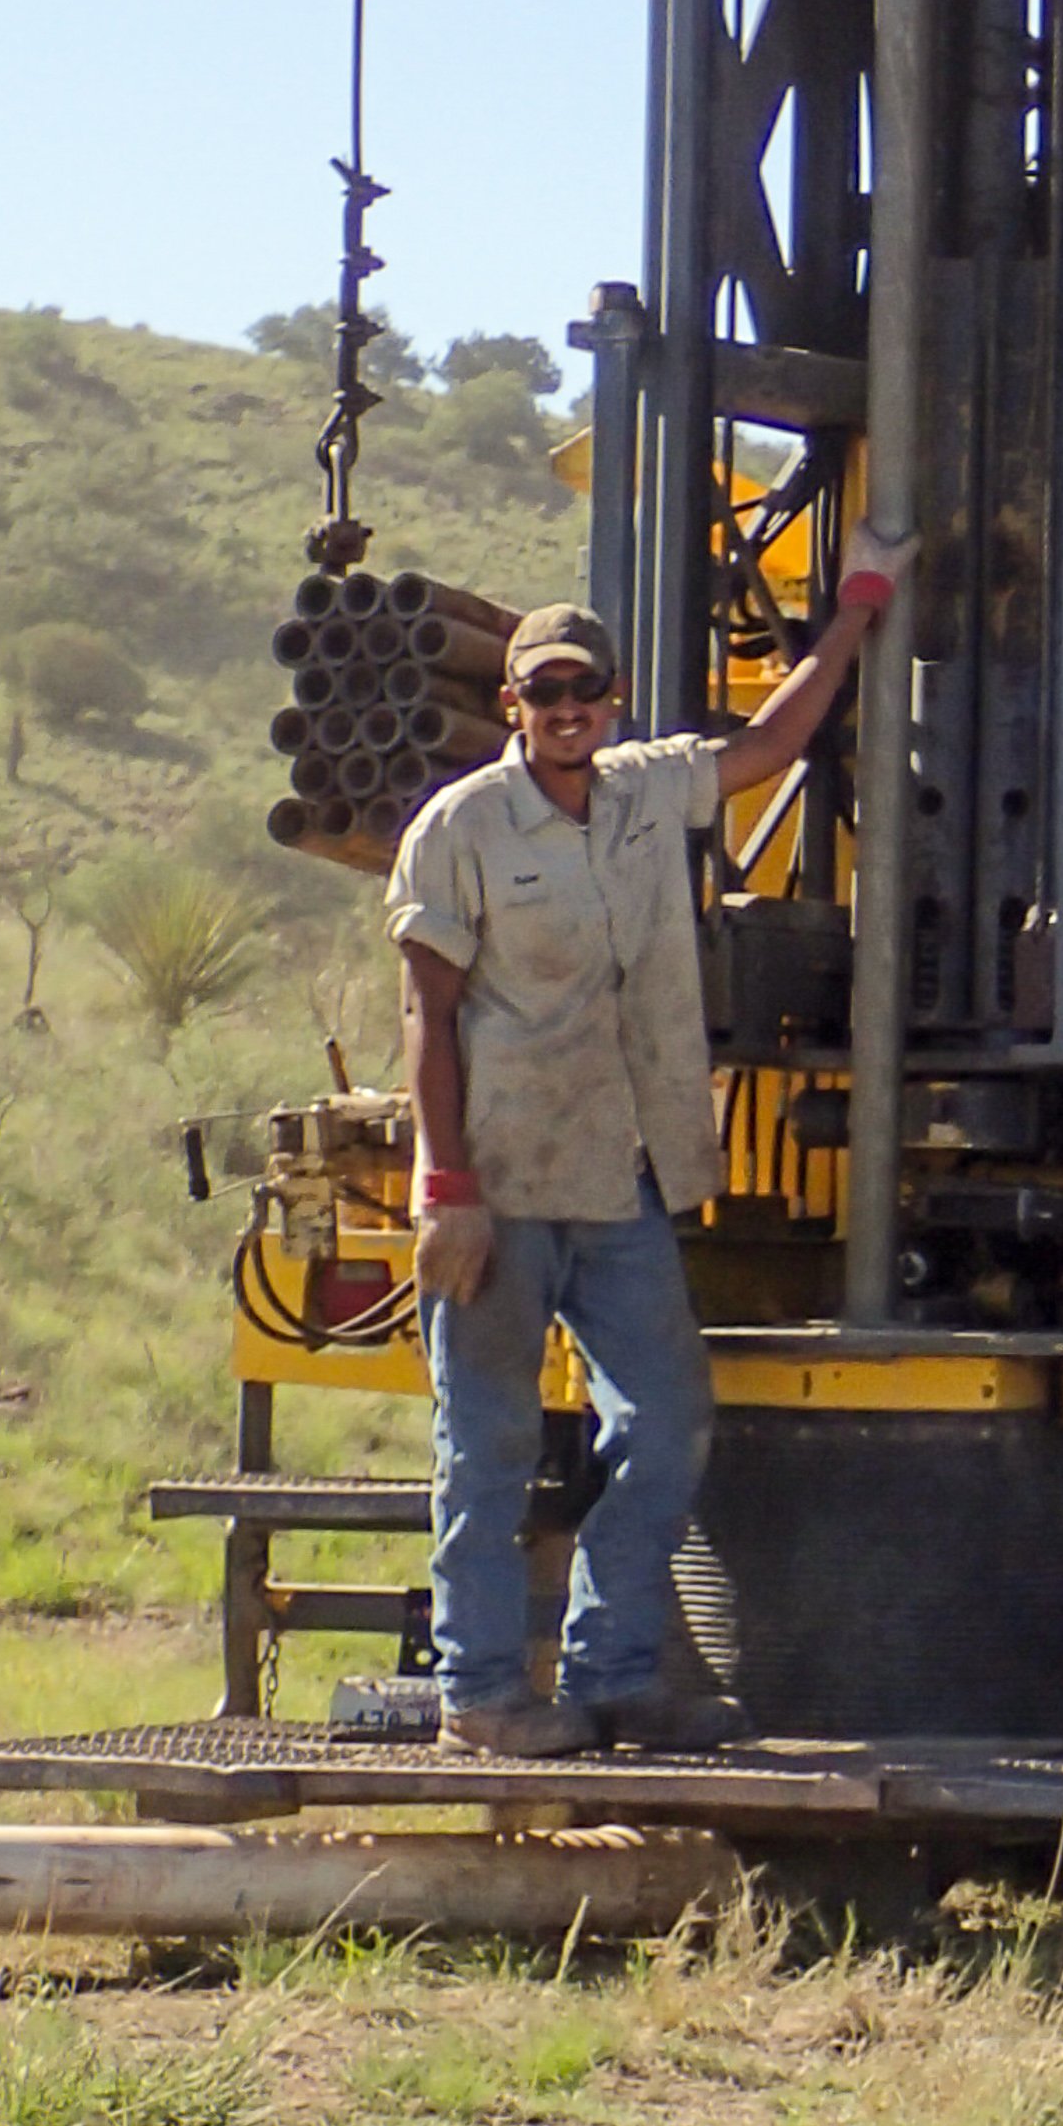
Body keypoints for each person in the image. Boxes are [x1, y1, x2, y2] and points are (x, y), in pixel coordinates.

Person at [388, 532, 908, 1758]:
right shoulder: (457, 828)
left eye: (585, 691)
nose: (566, 711)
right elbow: (428, 1013)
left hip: (620, 1180)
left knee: (668, 1421)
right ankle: (479, 1692)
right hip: (503, 1185)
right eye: (544, 692)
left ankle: (612, 1672)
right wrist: (445, 1184)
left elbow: (774, 742)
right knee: (490, 1444)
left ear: (610, 700)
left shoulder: (646, 787)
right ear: (511, 703)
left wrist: (856, 610)